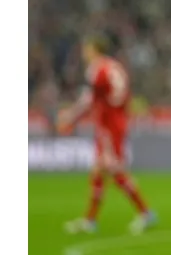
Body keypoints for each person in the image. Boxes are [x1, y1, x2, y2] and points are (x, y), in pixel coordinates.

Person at [58, 36, 156, 235]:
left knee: (114, 169)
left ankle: (145, 212)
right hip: (116, 121)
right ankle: (90, 220)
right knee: (98, 171)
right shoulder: (114, 66)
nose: (84, 53)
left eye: (87, 48)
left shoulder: (97, 68)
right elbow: (120, 95)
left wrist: (70, 117)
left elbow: (89, 100)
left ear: (94, 49)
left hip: (108, 124)